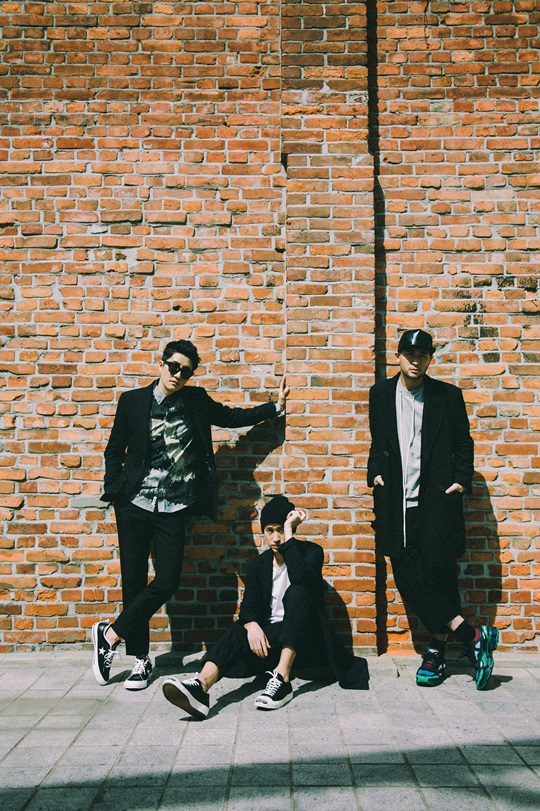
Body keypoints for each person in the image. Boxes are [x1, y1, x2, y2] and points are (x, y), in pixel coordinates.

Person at [92, 339, 289, 690]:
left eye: (185, 371)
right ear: (161, 364)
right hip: (134, 505)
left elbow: (230, 417)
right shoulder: (132, 401)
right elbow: (114, 449)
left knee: (167, 581)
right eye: (173, 367)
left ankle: (109, 635)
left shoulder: (195, 401)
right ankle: (140, 659)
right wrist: (116, 490)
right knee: (134, 581)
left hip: (173, 507)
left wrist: (274, 407)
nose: (178, 375)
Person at [367, 328, 498, 689]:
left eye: (422, 355)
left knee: (441, 575)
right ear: (398, 356)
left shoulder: (447, 396)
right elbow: (378, 442)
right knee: (407, 576)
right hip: (397, 502)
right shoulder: (380, 394)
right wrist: (375, 472)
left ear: (429, 359)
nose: (415, 361)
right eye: (410, 354)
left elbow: (464, 443)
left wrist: (461, 480)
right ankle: (472, 635)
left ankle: (436, 653)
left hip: (436, 499)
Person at [161, 495, 369, 719]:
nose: (276, 537)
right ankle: (200, 687)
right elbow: (248, 607)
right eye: (270, 530)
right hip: (272, 641)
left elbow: (300, 577)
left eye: (281, 530)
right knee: (239, 629)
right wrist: (251, 625)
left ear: (291, 529)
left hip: (306, 638)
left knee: (297, 592)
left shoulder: (311, 552)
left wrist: (289, 532)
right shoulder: (258, 565)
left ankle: (282, 679)